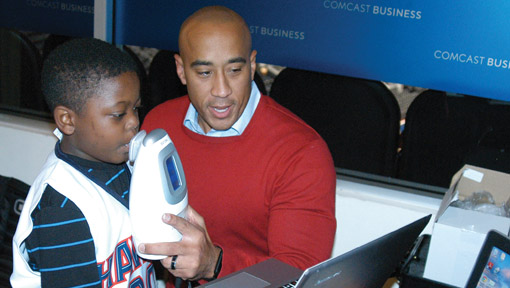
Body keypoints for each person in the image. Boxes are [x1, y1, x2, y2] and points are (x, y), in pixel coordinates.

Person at [139, 5, 337, 286]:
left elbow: (299, 276)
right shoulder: (159, 127)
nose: (222, 90)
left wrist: (215, 263)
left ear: (252, 65)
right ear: (181, 71)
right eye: (205, 73)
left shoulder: (301, 152)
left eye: (234, 70)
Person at [10, 38, 156, 287]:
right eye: (119, 114)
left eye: (136, 109)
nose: (133, 122)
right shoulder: (62, 210)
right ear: (67, 120)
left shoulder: (124, 163)